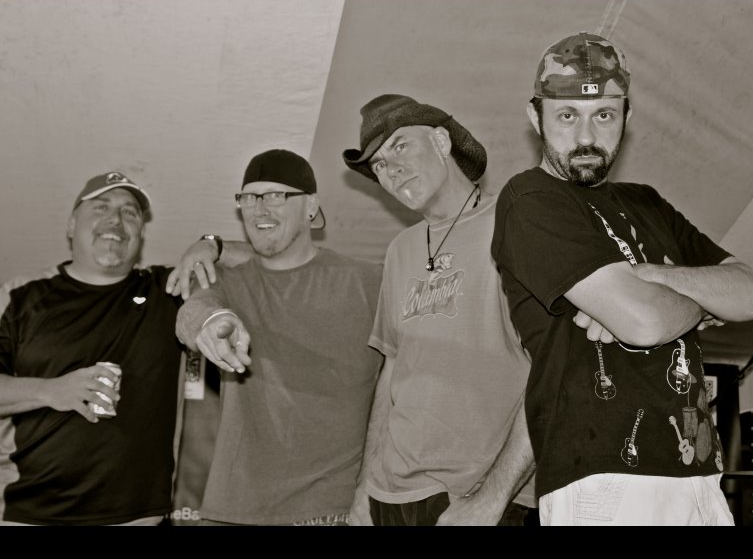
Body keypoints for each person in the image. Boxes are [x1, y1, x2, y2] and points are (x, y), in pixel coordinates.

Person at [490, 31, 753, 526]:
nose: (586, 137)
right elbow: (644, 324)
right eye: (566, 116)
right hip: (604, 478)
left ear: (626, 117)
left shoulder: (646, 202)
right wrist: (703, 301)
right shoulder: (530, 199)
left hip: (699, 472)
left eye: (604, 115)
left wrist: (648, 276)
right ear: (535, 118)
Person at [341, 94, 536, 526]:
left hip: (479, 496)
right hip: (390, 493)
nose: (391, 169)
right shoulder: (400, 249)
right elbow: (392, 371)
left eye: (400, 146)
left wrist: (493, 497)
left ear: (442, 142)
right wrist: (365, 487)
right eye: (379, 165)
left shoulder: (516, 221)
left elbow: (554, 367)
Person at [173, 149, 383, 526]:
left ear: (311, 207)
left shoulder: (369, 283)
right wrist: (212, 322)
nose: (259, 209)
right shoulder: (227, 282)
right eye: (249, 198)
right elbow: (191, 313)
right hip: (231, 512)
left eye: (276, 195)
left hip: (330, 511)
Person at [0, 171, 184, 525]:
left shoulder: (167, 291)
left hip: (135, 517)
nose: (115, 220)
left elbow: (255, 264)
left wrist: (210, 244)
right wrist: (52, 391)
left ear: (141, 234)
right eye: (101, 207)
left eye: (130, 213)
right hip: (27, 512)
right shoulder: (20, 294)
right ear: (71, 225)